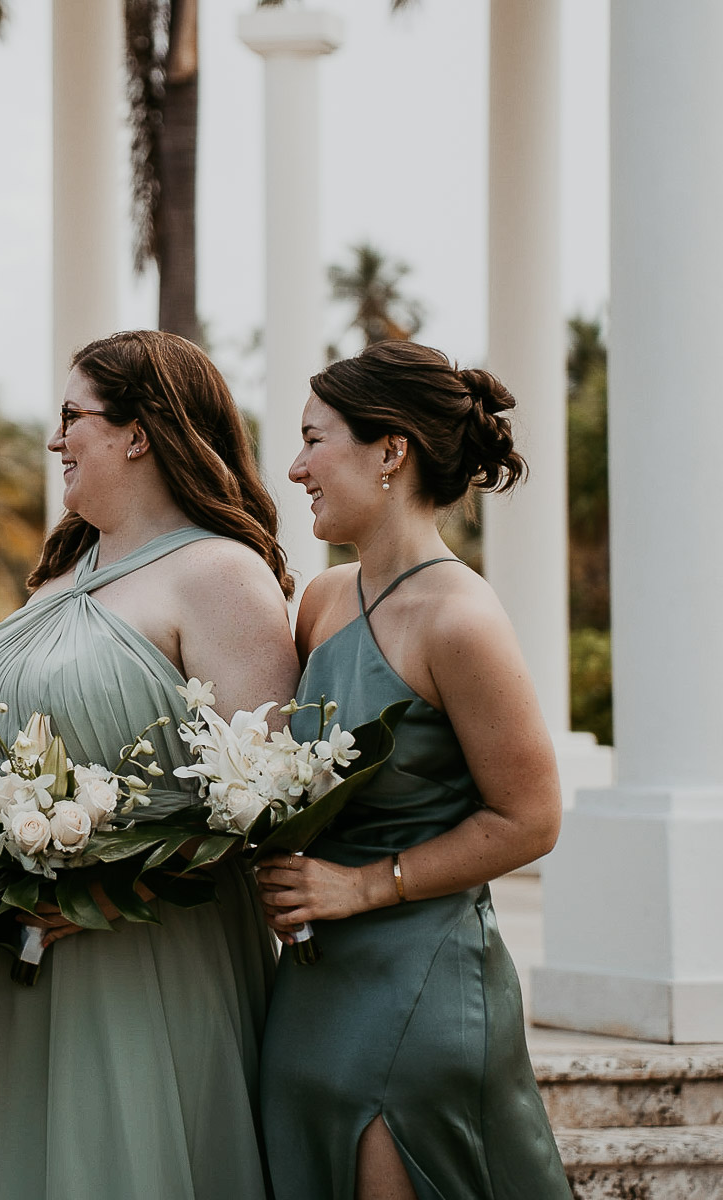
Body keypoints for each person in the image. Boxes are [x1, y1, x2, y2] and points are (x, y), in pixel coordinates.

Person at [0, 330, 296, 1199]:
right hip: (15, 954)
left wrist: (112, 889)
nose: (56, 440)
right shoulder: (62, 574)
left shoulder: (219, 574)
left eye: (73, 418)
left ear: (139, 431)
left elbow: (268, 799)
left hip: (144, 954)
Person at [258, 340, 566, 1199]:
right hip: (313, 975)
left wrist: (361, 888)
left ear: (389, 451)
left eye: (315, 440)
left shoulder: (460, 620)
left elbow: (530, 819)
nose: (295, 467)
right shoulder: (320, 601)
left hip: (420, 975)